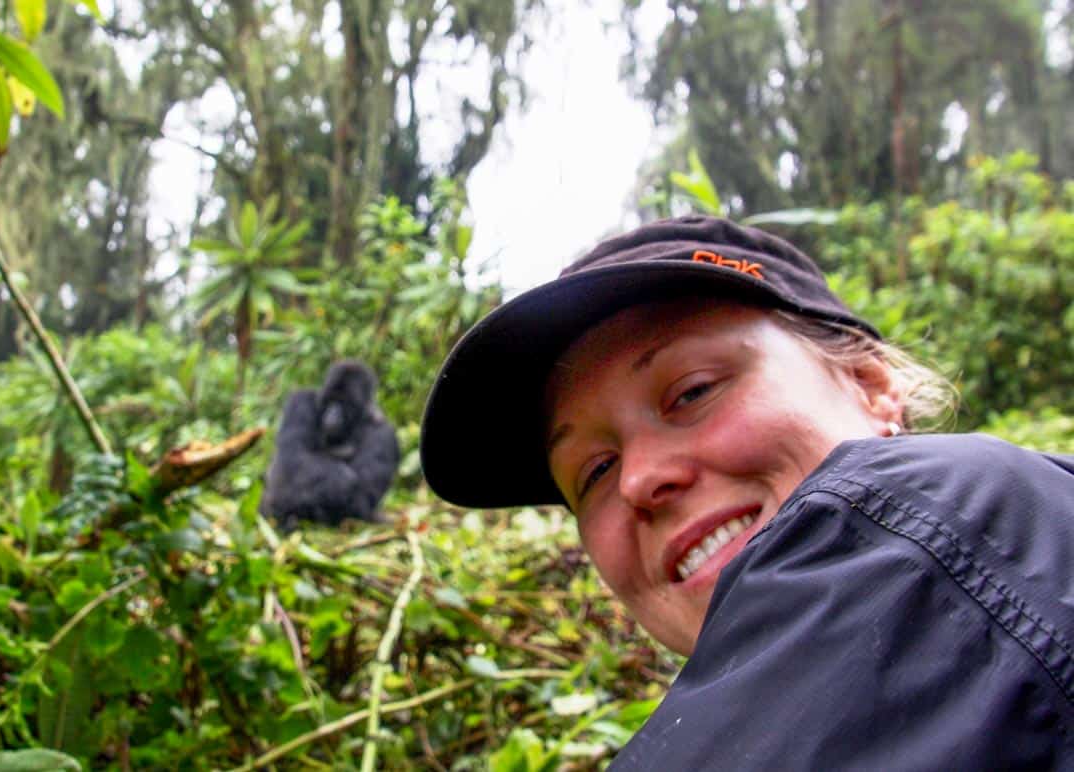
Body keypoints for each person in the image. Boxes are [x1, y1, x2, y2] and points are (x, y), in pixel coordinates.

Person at [420, 216, 1074, 769]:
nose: (639, 479)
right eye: (593, 471)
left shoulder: (973, 513)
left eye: (694, 390)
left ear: (872, 385)